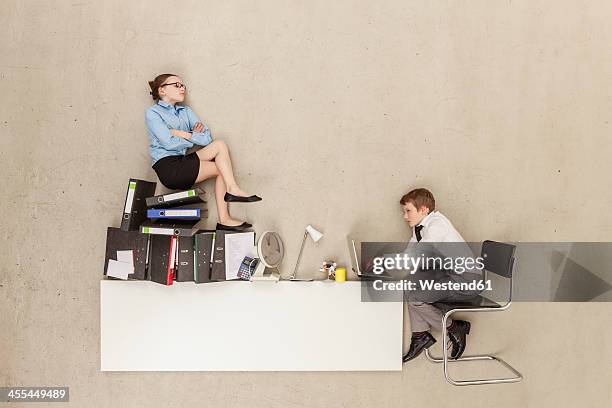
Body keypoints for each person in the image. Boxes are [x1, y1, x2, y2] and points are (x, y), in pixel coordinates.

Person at [145, 73, 261, 231]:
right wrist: (193, 136)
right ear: (162, 90)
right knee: (221, 167)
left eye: (183, 85)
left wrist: (184, 134)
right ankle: (229, 203)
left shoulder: (185, 111)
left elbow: (206, 139)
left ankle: (229, 202)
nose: (182, 88)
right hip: (169, 168)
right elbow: (168, 143)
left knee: (220, 145)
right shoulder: (153, 113)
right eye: (177, 85)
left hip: (182, 160)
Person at [399, 188, 483, 363]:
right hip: (447, 277)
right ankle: (420, 335)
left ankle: (453, 328)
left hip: (466, 280)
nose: (405, 216)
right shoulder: (419, 229)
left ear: (423, 209)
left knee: (416, 298)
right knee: (408, 285)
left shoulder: (437, 225)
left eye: (408, 211)